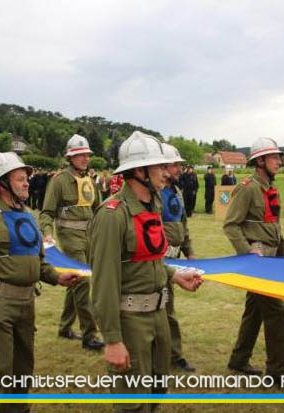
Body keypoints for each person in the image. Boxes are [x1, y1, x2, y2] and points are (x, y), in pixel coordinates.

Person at [88, 131, 203, 412]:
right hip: (130, 321)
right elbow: (103, 283)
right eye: (160, 167)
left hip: (158, 315)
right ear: (139, 171)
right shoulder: (112, 214)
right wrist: (113, 340)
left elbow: (146, 260)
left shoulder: (153, 205)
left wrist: (173, 275)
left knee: (156, 392)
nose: (167, 173)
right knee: (133, 403)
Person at [0, 152, 80, 413]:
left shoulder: (28, 215)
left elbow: (38, 262)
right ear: (3, 183)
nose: (27, 183)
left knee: (24, 368)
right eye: (20, 179)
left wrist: (57, 277)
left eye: (27, 178)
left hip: (26, 303)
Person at [223, 137, 284, 380]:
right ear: (260, 161)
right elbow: (231, 225)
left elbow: (274, 225)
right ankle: (278, 371)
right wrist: (247, 252)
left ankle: (239, 360)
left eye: (279, 157)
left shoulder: (270, 188)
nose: (279, 162)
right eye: (274, 157)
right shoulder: (248, 187)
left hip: (271, 258)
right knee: (276, 311)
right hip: (258, 260)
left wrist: (283, 257)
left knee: (255, 311)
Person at [40, 134, 104, 350]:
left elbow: (99, 210)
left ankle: (65, 327)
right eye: (80, 155)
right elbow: (47, 213)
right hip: (69, 238)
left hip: (90, 238)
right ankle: (90, 335)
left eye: (87, 154)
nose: (85, 158)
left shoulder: (90, 181)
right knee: (84, 281)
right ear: (70, 157)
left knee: (75, 282)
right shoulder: (58, 181)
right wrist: (47, 234)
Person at [160, 143, 197, 372]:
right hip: (157, 259)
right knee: (162, 308)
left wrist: (189, 249)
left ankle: (173, 354)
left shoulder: (176, 192)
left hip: (173, 257)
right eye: (175, 165)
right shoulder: (153, 193)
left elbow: (182, 224)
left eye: (179, 165)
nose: (179, 169)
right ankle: (168, 354)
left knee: (167, 307)